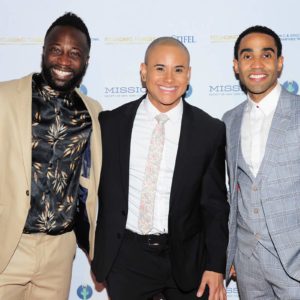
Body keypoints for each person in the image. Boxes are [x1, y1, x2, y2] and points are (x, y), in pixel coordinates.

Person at [91, 37, 229, 300]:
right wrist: (96, 249)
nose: (169, 78)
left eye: (178, 69)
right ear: (143, 72)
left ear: (188, 75)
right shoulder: (110, 124)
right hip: (126, 258)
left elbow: (214, 206)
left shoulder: (209, 130)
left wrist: (215, 264)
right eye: (159, 68)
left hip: (186, 258)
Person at [0, 12, 102, 300]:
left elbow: (93, 186)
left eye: (74, 53)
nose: (64, 60)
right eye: (56, 50)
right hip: (9, 243)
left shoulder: (93, 113)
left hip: (60, 251)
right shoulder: (5, 98)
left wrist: (96, 247)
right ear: (44, 52)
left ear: (86, 61)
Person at [223, 25, 300, 299]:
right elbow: (232, 192)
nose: (256, 64)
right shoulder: (228, 121)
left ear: (279, 63)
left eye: (266, 55)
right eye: (247, 56)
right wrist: (230, 251)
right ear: (236, 66)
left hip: (295, 261)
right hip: (247, 264)